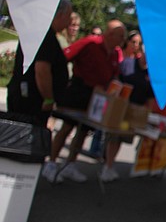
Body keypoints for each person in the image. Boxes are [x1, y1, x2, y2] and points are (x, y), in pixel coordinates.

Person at [42, 19, 125, 183]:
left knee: (83, 132)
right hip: (78, 92)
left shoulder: (115, 53)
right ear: (110, 34)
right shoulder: (90, 43)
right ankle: (51, 162)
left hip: (96, 98)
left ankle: (70, 164)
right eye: (120, 36)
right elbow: (64, 58)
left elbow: (114, 76)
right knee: (67, 127)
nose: (123, 40)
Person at [6, 0, 72, 128]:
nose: (69, 21)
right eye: (68, 16)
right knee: (23, 133)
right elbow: (42, 70)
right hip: (31, 100)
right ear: (60, 15)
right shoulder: (46, 36)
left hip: (24, 94)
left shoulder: (39, 33)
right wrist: (48, 98)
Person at [101, 30, 155, 182]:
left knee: (120, 138)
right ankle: (107, 165)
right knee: (113, 137)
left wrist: (148, 113)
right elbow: (116, 81)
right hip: (120, 107)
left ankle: (109, 165)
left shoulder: (151, 74)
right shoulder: (128, 63)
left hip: (135, 111)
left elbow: (150, 97)